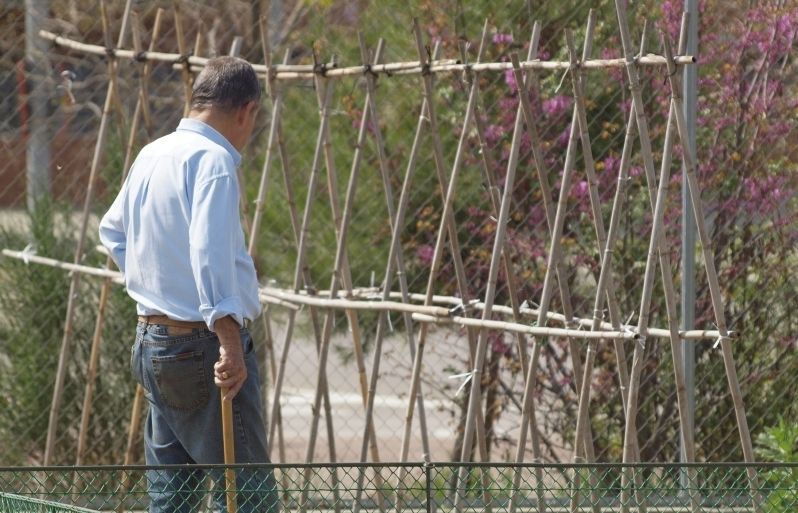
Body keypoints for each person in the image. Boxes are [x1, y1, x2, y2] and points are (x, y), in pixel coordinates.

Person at [99, 56, 277, 513]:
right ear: (246, 110)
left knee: (172, 501)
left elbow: (113, 231)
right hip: (201, 348)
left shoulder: (152, 153)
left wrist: (158, 281)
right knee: (246, 497)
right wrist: (230, 343)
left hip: (152, 342)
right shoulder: (214, 160)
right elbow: (209, 251)